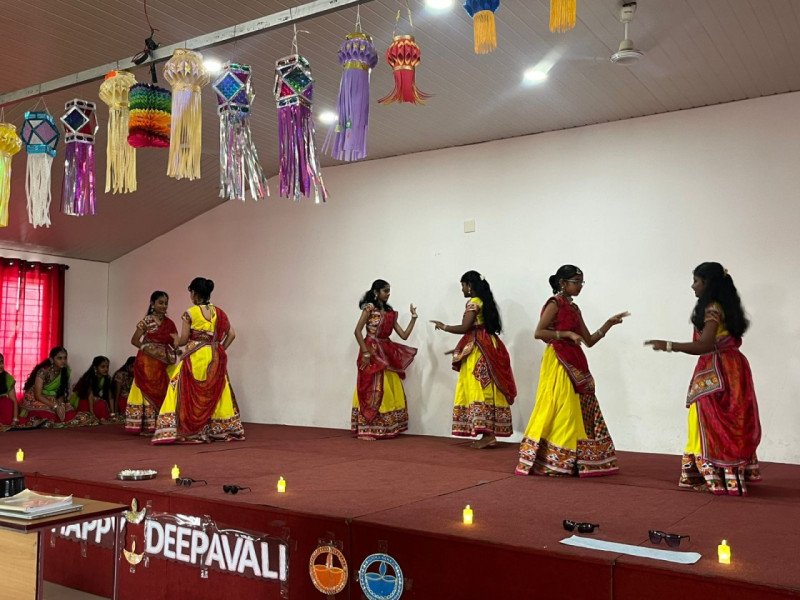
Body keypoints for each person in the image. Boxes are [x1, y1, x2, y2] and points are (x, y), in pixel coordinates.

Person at [645, 262, 761, 496]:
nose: (693, 286)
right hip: (734, 368)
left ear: (707, 284)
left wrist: (669, 345)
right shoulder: (726, 306)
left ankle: (711, 477)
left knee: (705, 421)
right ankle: (729, 476)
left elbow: (705, 344)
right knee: (730, 420)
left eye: (696, 281)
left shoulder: (712, 308)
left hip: (716, 370)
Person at [516, 265, 628, 477]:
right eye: (576, 282)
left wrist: (608, 324)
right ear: (562, 283)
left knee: (578, 409)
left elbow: (589, 340)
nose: (580, 286)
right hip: (559, 361)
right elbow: (539, 332)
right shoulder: (555, 304)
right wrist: (566, 334)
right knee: (562, 407)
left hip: (576, 361)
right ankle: (554, 458)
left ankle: (575, 458)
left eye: (581, 282)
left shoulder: (574, 308)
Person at [431, 271, 517, 449]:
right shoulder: (484, 301)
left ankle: (488, 435)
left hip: (479, 350)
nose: (462, 289)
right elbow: (472, 331)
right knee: (488, 387)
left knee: (478, 387)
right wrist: (459, 349)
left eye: (463, 285)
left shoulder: (474, 302)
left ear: (469, 285)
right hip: (488, 345)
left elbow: (465, 328)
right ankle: (489, 434)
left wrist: (444, 326)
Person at [152, 277, 244, 444]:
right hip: (214, 357)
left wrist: (175, 340)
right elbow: (232, 334)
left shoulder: (190, 313)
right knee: (215, 390)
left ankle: (181, 428)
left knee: (180, 388)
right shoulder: (219, 313)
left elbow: (184, 340)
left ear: (194, 293)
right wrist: (220, 349)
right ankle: (220, 430)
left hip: (196, 357)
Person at [353, 279, 418, 440]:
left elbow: (404, 335)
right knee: (370, 386)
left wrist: (414, 317)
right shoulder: (369, 309)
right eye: (385, 291)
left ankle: (386, 426)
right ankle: (367, 428)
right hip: (371, 351)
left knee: (388, 386)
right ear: (376, 292)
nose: (388, 294)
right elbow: (357, 331)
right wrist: (365, 352)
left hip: (385, 351)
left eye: (389, 291)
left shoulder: (390, 312)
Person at [125, 291, 178, 435]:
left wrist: (177, 346)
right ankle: (148, 426)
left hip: (164, 364)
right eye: (160, 302)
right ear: (152, 303)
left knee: (168, 389)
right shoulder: (146, 321)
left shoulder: (170, 323)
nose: (164, 306)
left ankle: (163, 424)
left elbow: (175, 342)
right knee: (147, 390)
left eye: (166, 303)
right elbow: (134, 340)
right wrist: (148, 349)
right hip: (146, 363)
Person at [19, 347, 87, 427]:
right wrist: (55, 406)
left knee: (71, 414)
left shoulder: (65, 371)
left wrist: (61, 406)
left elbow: (60, 392)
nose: (63, 361)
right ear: (51, 359)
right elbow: (38, 395)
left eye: (65, 358)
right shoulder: (43, 371)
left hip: (53, 399)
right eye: (59, 358)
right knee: (48, 416)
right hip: (37, 399)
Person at [69, 356, 113, 422]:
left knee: (102, 403)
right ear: (95, 368)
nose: (106, 369)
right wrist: (92, 414)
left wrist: (113, 413)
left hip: (93, 400)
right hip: (83, 400)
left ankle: (102, 419)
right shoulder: (89, 378)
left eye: (107, 367)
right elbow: (90, 395)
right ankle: (92, 417)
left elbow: (111, 396)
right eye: (103, 367)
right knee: (87, 413)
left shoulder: (107, 379)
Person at [0, 353, 21, 427]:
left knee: (7, 403)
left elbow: (14, 400)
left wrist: (15, 419)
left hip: (4, 405)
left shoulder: (8, 378)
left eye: (1, 362)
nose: (0, 365)